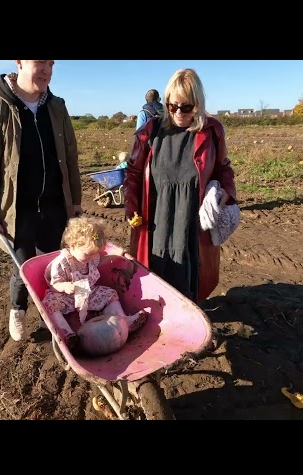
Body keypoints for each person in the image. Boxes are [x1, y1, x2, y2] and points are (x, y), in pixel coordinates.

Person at [0, 60, 83, 342]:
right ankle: (18, 310)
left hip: (54, 203)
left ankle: (53, 313)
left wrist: (75, 201)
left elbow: (70, 156)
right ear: (20, 63)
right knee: (23, 266)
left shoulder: (56, 106)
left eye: (51, 63)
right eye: (39, 62)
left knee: (52, 264)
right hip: (17, 208)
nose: (46, 69)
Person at [124, 68, 237, 303]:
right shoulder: (151, 131)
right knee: (154, 273)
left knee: (190, 275)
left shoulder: (212, 131)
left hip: (191, 221)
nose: (178, 112)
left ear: (197, 103)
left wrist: (223, 195)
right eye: (172, 105)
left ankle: (190, 321)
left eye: (186, 107)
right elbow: (133, 172)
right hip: (156, 219)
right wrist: (132, 205)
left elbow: (223, 169)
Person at [41, 216, 147, 353]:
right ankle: (66, 334)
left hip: (88, 293)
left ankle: (124, 322)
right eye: (88, 254)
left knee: (109, 293)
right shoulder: (61, 263)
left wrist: (117, 255)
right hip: (65, 298)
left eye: (94, 254)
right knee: (49, 303)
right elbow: (55, 284)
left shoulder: (90, 257)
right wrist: (65, 286)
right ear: (73, 246)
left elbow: (100, 261)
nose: (91, 258)